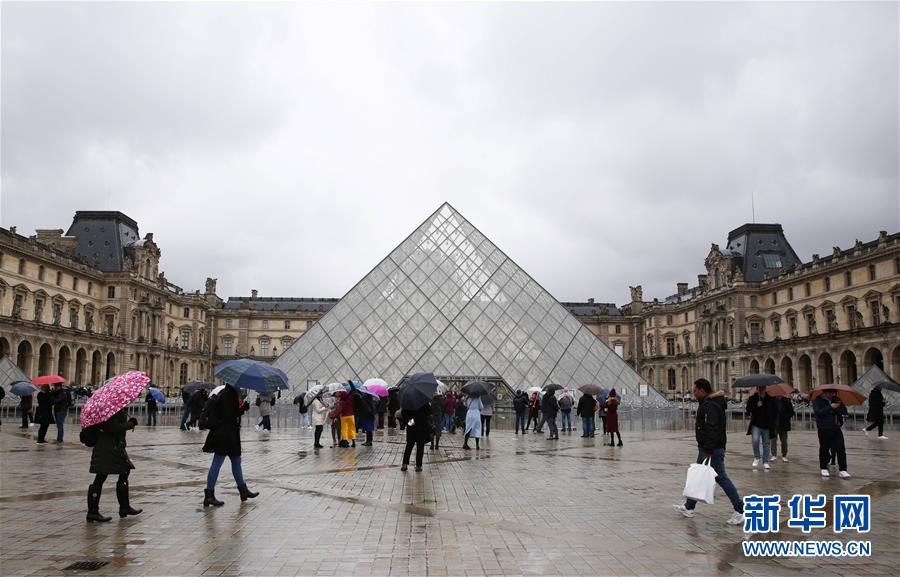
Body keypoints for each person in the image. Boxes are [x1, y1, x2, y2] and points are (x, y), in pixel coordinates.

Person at [673, 378, 744, 525]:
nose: (693, 393)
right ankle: (689, 507)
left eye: (695, 391)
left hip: (712, 449)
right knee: (698, 476)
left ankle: (740, 510)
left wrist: (708, 449)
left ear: (702, 390)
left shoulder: (711, 405)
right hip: (707, 447)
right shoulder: (709, 402)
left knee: (721, 478)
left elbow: (712, 428)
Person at [201, 383, 259, 506]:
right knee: (218, 462)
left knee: (236, 461)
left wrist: (240, 408)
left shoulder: (226, 393)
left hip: (226, 434)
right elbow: (229, 416)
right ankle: (209, 494)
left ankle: (243, 490)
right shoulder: (228, 395)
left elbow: (228, 413)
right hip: (226, 435)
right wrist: (242, 409)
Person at [86, 408, 143, 522]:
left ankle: (124, 507)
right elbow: (113, 428)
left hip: (114, 447)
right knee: (101, 476)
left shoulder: (112, 409)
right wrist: (130, 424)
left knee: (124, 471)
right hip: (108, 448)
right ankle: (92, 512)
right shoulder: (108, 410)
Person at [813, 389, 850, 478]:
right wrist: (830, 407)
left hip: (836, 427)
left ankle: (843, 469)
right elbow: (819, 412)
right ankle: (823, 467)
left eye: (833, 393)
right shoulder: (817, 400)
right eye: (829, 393)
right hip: (823, 428)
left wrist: (841, 417)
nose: (831, 395)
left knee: (841, 448)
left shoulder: (837, 399)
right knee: (824, 448)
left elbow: (844, 412)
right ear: (824, 392)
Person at [745, 386, 777, 469]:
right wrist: (756, 405)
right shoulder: (753, 398)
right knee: (755, 440)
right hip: (756, 424)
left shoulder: (770, 399)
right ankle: (757, 457)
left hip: (767, 425)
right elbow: (748, 409)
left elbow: (775, 411)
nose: (761, 389)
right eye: (760, 388)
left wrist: (773, 421)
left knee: (766, 443)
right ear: (757, 389)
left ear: (765, 388)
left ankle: (766, 461)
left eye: (763, 388)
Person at [401, 402, 433, 472]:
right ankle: (418, 466)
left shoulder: (407, 402)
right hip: (420, 427)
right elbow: (429, 412)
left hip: (411, 428)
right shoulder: (423, 401)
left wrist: (410, 422)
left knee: (409, 446)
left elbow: (403, 414)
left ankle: (404, 464)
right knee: (420, 447)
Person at [769, 395, 794, 462]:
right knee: (773, 440)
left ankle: (784, 455)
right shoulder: (771, 401)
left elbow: (791, 412)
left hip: (783, 424)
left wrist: (786, 417)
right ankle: (774, 455)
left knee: (784, 441)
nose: (778, 395)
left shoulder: (787, 401)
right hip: (774, 424)